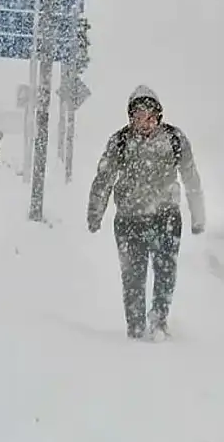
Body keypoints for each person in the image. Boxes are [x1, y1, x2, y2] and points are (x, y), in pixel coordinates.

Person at [87, 86, 206, 340]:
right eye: (138, 116)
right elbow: (104, 179)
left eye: (150, 115)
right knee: (132, 276)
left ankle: (159, 320)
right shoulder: (120, 141)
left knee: (165, 272)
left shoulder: (174, 139)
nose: (145, 122)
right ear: (131, 118)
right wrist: (95, 213)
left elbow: (191, 178)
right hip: (129, 220)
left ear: (158, 115)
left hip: (166, 218)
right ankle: (135, 326)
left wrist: (198, 216)